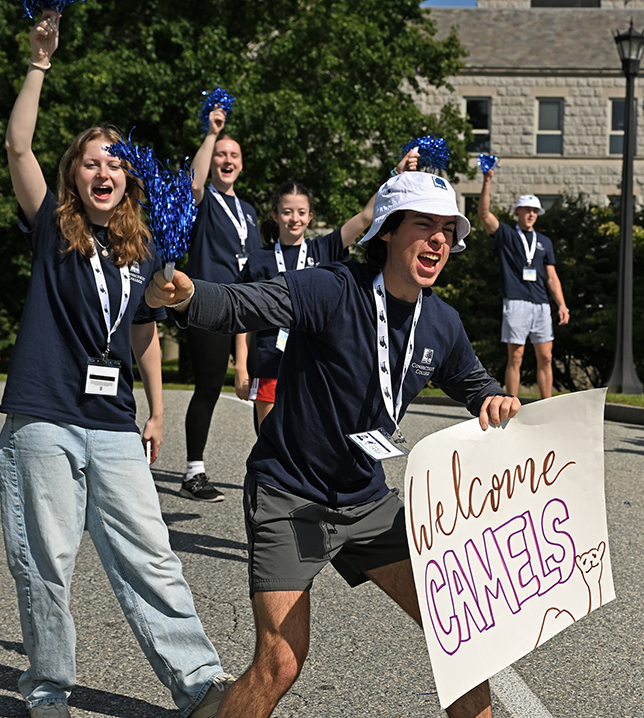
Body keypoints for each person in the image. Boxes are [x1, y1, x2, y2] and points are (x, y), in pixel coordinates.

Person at [144, 171, 519, 718]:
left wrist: (494, 399)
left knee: (460, 633)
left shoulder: (441, 321)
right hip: (290, 496)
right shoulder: (332, 288)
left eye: (448, 230)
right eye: (424, 225)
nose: (439, 240)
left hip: (367, 500)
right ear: (388, 231)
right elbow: (244, 304)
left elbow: (474, 381)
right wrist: (188, 296)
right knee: (280, 663)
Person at [0, 12, 232, 717]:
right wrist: (40, 63)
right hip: (43, 416)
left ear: (129, 177)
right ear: (75, 174)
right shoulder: (52, 229)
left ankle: (199, 685)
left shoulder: (141, 252)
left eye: (115, 161)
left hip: (111, 422)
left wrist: (157, 410)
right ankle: (46, 692)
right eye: (90, 161)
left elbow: (142, 334)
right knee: (47, 563)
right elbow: (16, 147)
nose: (102, 171)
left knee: (151, 554)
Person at [233, 151, 420, 425]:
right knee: (268, 437)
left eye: (301, 212)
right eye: (286, 212)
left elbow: (367, 215)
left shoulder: (323, 248)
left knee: (306, 435)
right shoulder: (259, 259)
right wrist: (241, 365)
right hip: (270, 360)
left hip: (313, 361)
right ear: (275, 215)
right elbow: (245, 317)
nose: (293, 218)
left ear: (310, 216)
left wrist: (395, 174)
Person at [179, 103, 262, 501]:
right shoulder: (204, 200)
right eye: (220, 155)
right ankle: (194, 471)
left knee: (265, 387)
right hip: (209, 302)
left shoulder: (248, 211)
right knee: (210, 385)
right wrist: (211, 133)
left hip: (245, 307)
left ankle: (274, 472)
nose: (227, 161)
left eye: (233, 155)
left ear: (242, 164)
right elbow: (193, 184)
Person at [477, 169, 570, 398]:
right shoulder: (507, 235)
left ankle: (546, 406)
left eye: (535, 211)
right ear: (518, 211)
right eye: (527, 210)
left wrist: (562, 305)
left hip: (541, 304)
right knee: (516, 357)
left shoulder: (545, 242)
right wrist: (487, 181)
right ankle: (512, 405)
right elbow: (484, 213)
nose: (531, 214)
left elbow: (551, 276)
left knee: (546, 357)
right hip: (516, 302)